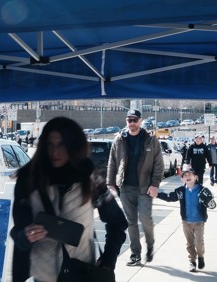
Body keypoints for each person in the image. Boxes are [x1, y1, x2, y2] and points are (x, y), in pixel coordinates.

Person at [10, 117, 128, 282]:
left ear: (74, 146)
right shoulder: (28, 180)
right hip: (42, 275)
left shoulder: (90, 179)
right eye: (50, 144)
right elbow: (17, 232)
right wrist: (25, 235)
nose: (55, 151)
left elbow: (118, 223)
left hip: (81, 274)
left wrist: (108, 262)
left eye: (62, 144)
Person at [106, 109, 164, 266]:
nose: (131, 123)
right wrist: (110, 183)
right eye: (129, 120)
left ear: (140, 121)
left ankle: (150, 245)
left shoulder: (151, 140)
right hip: (126, 188)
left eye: (134, 120)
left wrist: (155, 185)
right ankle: (135, 253)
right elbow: (112, 162)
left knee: (146, 219)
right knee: (131, 222)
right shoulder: (119, 139)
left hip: (145, 188)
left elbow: (158, 164)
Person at [156, 167, 216, 273]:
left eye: (190, 175)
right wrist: (157, 194)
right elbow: (170, 197)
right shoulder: (181, 191)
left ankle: (201, 256)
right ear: (182, 179)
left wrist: (210, 200)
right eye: (185, 176)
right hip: (186, 222)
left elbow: (211, 203)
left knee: (199, 242)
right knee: (189, 243)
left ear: (196, 177)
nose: (187, 177)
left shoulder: (202, 190)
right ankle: (192, 261)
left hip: (199, 221)